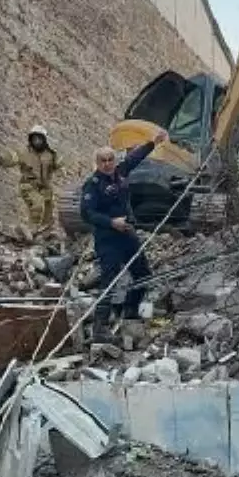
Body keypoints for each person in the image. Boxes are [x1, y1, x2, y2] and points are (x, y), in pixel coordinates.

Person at [79, 129, 168, 339]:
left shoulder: (120, 172)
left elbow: (134, 157)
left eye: (110, 159)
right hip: (107, 239)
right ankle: (100, 328)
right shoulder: (92, 185)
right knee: (109, 281)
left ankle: (130, 310)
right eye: (103, 161)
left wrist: (152, 143)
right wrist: (111, 222)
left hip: (127, 234)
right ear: (97, 163)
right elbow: (87, 213)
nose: (108, 164)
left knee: (143, 273)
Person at [0, 125, 63, 230]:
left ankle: (45, 234)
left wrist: (61, 169)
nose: (36, 141)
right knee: (37, 206)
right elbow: (11, 159)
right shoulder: (24, 153)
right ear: (30, 139)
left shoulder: (51, 154)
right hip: (28, 185)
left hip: (45, 187)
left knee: (48, 211)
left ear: (44, 140)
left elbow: (59, 165)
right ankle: (32, 230)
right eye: (34, 138)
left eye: (39, 138)